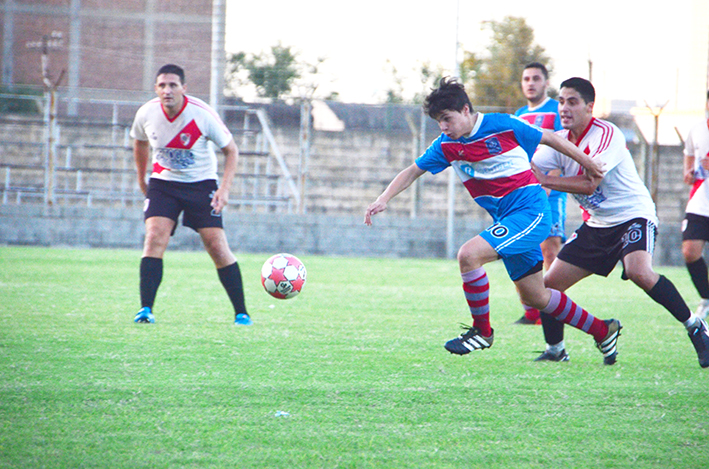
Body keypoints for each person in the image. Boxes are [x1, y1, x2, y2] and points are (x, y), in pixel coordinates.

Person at [364, 77, 623, 365]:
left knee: (468, 255)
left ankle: (482, 332)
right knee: (537, 297)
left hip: (530, 212)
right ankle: (603, 329)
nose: (444, 127)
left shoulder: (503, 124)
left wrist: (589, 164)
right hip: (508, 218)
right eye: (439, 122)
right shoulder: (446, 145)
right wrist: (383, 198)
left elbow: (550, 138)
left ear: (465, 110)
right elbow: (413, 170)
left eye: (447, 119)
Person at [532, 77, 709, 367]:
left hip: (632, 216)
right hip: (598, 225)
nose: (564, 108)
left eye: (573, 102)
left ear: (590, 106)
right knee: (546, 288)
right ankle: (556, 349)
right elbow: (532, 170)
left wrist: (544, 179)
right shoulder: (558, 141)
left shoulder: (607, 133)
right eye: (561, 101)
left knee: (639, 271)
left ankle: (695, 327)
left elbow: (591, 183)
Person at [130, 64, 252, 326]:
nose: (167, 90)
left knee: (216, 246)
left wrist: (224, 189)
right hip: (164, 184)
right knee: (154, 237)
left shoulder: (202, 114)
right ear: (156, 89)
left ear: (184, 88)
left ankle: (241, 313)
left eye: (173, 85)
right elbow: (139, 142)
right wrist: (142, 178)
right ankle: (145, 310)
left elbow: (231, 150)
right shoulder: (146, 113)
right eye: (162, 85)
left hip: (201, 183)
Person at [513, 62, 566, 325]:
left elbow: (561, 149)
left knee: (549, 251)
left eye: (536, 78)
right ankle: (532, 313)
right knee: (522, 249)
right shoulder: (519, 114)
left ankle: (551, 314)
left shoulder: (555, 111)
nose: (530, 83)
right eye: (526, 79)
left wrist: (546, 187)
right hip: (522, 192)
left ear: (546, 83)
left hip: (549, 194)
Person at [681, 90, 709, 320]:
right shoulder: (698, 129)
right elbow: (689, 154)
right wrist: (688, 171)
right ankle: (706, 297)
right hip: (700, 202)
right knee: (690, 251)